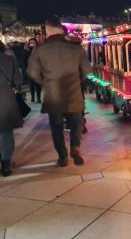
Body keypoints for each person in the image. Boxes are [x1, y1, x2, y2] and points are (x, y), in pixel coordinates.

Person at [27, 17, 92, 167]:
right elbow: (87, 71)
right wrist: (76, 80)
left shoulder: (40, 50)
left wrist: (46, 83)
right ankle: (75, 148)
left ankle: (62, 156)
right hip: (73, 93)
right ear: (61, 30)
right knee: (76, 122)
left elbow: (32, 73)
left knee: (56, 127)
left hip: (53, 95)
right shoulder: (76, 48)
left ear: (47, 30)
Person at [0, 41, 23, 176]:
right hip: (5, 97)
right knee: (6, 132)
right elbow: (18, 80)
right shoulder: (9, 59)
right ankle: (6, 163)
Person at [24, 38, 42, 103]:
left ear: (36, 42)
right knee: (31, 85)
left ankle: (39, 98)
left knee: (38, 85)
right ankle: (33, 98)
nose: (32, 43)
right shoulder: (26, 50)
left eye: (33, 42)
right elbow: (24, 60)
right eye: (31, 42)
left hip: (38, 70)